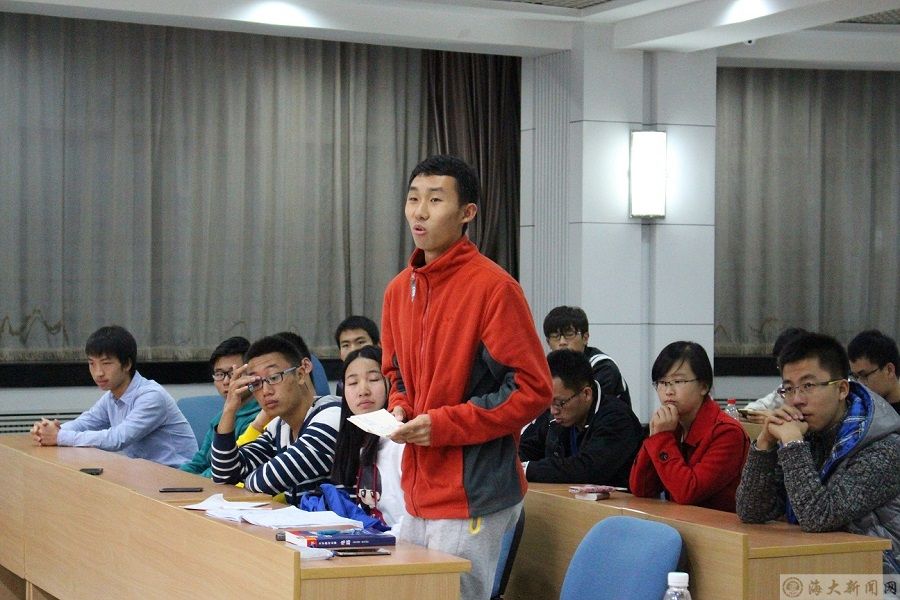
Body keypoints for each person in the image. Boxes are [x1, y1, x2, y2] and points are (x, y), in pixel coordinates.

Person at [382, 154, 551, 600]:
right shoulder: (399, 290)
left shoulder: (493, 288)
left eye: (435, 200)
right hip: (418, 488)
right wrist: (399, 405)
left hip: (473, 490)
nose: (419, 212)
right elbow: (395, 371)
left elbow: (533, 388)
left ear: (467, 213)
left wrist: (443, 425)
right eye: (413, 199)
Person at [736, 332, 900, 573]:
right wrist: (765, 442)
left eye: (808, 386)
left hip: (879, 578)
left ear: (842, 389)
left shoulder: (884, 446)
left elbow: (818, 517)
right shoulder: (806, 433)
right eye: (788, 389)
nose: (796, 400)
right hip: (819, 567)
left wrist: (792, 444)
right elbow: (751, 510)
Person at [30, 325, 197, 467]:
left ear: (127, 364)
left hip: (178, 477)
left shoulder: (151, 396)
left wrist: (59, 436)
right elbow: (85, 422)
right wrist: (49, 431)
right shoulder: (112, 396)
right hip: (144, 475)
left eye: (106, 363)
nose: (98, 373)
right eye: (92, 364)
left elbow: (117, 439)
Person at [210, 334, 341, 503]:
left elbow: (264, 483)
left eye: (273, 378)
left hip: (348, 519)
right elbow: (224, 474)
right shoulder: (279, 427)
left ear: (301, 374)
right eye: (256, 383)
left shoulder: (332, 416)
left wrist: (243, 480)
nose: (265, 391)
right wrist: (229, 409)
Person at [629, 341, 749, 512]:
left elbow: (688, 492)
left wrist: (662, 439)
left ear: (703, 386)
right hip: (678, 520)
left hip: (715, 526)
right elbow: (641, 488)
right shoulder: (672, 425)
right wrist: (655, 436)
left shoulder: (727, 433)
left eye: (678, 381)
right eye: (662, 382)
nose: (668, 391)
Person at [519, 349, 643, 486]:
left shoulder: (617, 419)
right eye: (549, 402)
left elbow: (588, 469)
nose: (553, 411)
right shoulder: (559, 416)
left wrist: (528, 469)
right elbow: (528, 448)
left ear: (586, 394)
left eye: (560, 403)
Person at [331, 345, 407, 528]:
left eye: (373, 379)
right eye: (353, 383)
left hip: (401, 541)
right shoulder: (354, 442)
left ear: (391, 384)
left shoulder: (400, 440)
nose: (363, 390)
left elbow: (410, 517)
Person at [179, 336, 261, 477]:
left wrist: (191, 482)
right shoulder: (221, 417)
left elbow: (227, 469)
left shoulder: (261, 417)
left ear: (252, 375)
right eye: (219, 374)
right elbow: (199, 462)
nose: (226, 381)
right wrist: (176, 478)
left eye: (233, 373)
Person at [542, 305, 631, 405]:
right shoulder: (545, 369)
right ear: (548, 342)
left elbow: (587, 406)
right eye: (555, 336)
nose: (562, 342)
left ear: (585, 338)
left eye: (569, 334)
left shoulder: (603, 367)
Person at [743, 327, 808, 423]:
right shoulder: (783, 389)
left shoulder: (816, 387)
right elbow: (752, 408)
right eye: (780, 365)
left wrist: (777, 417)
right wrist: (772, 415)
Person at [848, 329, 900, 414]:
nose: (860, 384)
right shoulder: (860, 412)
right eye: (855, 377)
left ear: (889, 370)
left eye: (865, 375)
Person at [333, 315, 380, 396]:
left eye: (360, 342)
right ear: (340, 353)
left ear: (378, 346)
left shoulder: (393, 378)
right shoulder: (342, 385)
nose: (353, 350)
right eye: (346, 345)